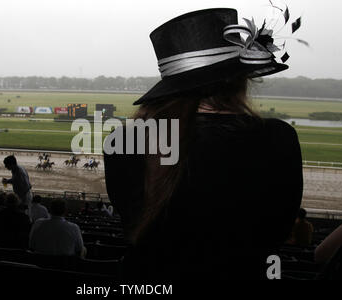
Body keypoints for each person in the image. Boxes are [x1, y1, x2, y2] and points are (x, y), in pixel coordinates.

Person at [103, 9, 303, 280]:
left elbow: (134, 225)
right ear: (241, 79)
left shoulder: (124, 140)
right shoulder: (278, 139)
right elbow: (276, 233)